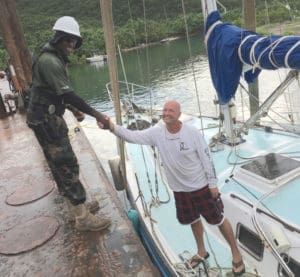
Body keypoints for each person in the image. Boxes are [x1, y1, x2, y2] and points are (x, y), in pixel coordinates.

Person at [100, 100, 245, 275]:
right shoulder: (157, 132)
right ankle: (201, 251)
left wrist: (213, 184)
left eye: (171, 110)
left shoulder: (192, 133)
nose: (166, 113)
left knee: (218, 220)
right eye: (165, 110)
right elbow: (134, 136)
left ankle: (236, 255)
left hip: (200, 187)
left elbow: (206, 158)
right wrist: (111, 126)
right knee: (192, 220)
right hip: (180, 190)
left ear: (178, 114)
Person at [27, 16, 111, 232]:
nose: (72, 46)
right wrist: (97, 115)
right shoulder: (50, 61)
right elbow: (68, 94)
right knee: (66, 164)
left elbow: (54, 93)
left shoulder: (54, 58)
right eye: (70, 41)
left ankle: (76, 207)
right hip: (46, 120)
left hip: (48, 116)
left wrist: (74, 110)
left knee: (60, 164)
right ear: (60, 38)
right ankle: (82, 217)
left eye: (75, 42)